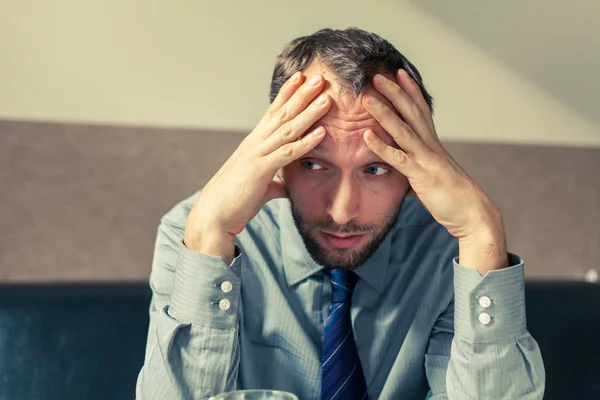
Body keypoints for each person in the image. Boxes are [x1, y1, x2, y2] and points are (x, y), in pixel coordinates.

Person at [135, 28, 545, 399]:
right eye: (314, 164)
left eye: (376, 168)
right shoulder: (196, 231)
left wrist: (482, 235)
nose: (343, 211)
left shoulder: (450, 253)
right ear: (277, 154)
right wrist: (209, 239)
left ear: (414, 167)